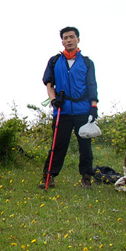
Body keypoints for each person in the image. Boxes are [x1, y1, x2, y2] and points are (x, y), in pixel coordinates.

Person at [40, 26, 99, 189]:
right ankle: (49, 176)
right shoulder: (54, 61)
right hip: (62, 109)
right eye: (65, 38)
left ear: (78, 39)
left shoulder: (87, 62)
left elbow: (92, 85)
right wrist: (53, 100)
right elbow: (49, 83)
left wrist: (93, 107)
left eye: (72, 37)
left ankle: (86, 177)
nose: (68, 40)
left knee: (85, 146)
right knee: (58, 144)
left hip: (83, 109)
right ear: (62, 41)